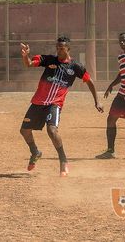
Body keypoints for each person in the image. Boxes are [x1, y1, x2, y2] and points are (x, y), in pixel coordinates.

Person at [20, 38, 103, 176]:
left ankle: (63, 161)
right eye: (57, 48)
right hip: (38, 102)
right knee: (24, 131)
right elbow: (29, 64)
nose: (59, 50)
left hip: (54, 104)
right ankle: (35, 152)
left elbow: (90, 82)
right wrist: (25, 56)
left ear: (68, 49)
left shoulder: (75, 66)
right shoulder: (49, 59)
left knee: (52, 131)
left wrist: (97, 101)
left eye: (62, 48)